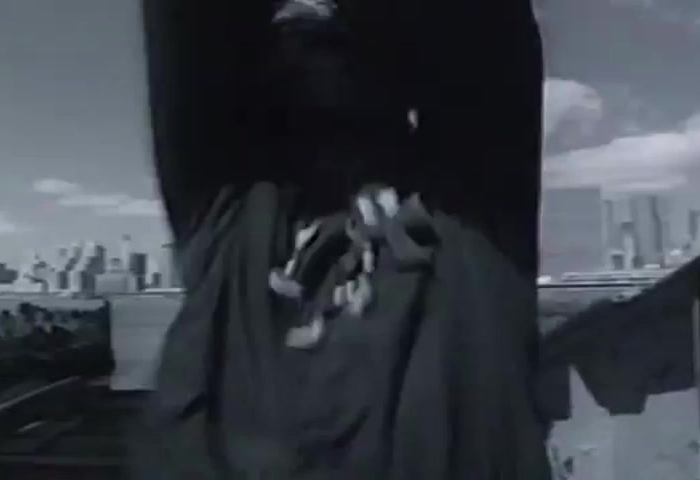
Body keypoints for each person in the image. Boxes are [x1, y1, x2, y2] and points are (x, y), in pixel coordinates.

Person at [134, 0, 550, 478]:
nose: (311, 49)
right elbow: (189, 29)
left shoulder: (470, 210)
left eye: (335, 37)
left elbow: (482, 34)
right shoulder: (228, 214)